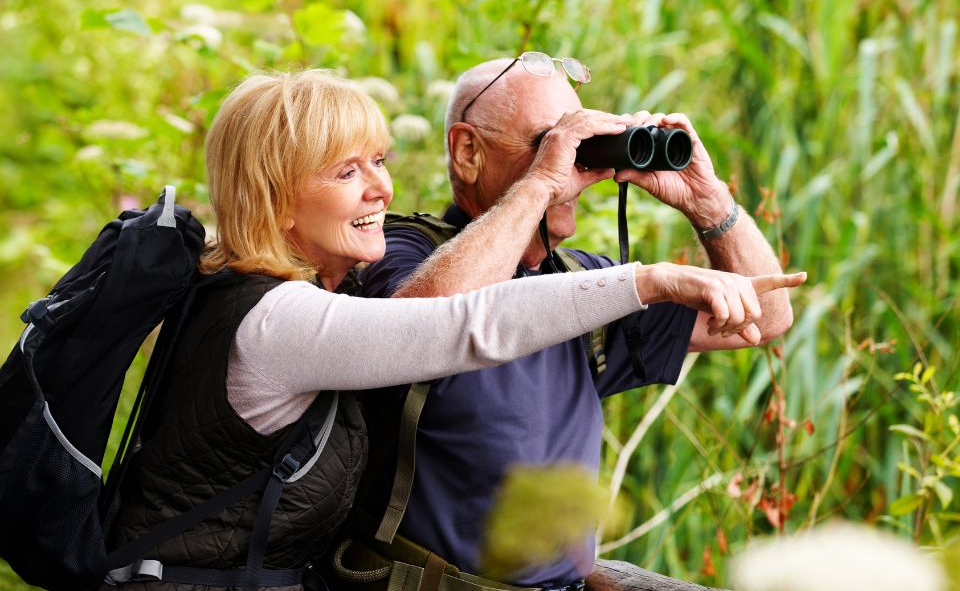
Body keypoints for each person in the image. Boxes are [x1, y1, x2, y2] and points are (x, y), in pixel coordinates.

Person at [99, 69, 775, 591]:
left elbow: (764, 316)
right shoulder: (290, 312)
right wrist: (642, 277)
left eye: (380, 161)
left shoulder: (300, 292)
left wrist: (707, 200)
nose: (381, 188)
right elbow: (446, 324)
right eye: (348, 170)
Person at [355, 53, 806, 589]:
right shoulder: (401, 254)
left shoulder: (582, 281)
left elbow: (768, 315)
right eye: (547, 140)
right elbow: (421, 327)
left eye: (578, 143)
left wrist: (707, 201)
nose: (571, 163)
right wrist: (543, 181)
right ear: (467, 151)